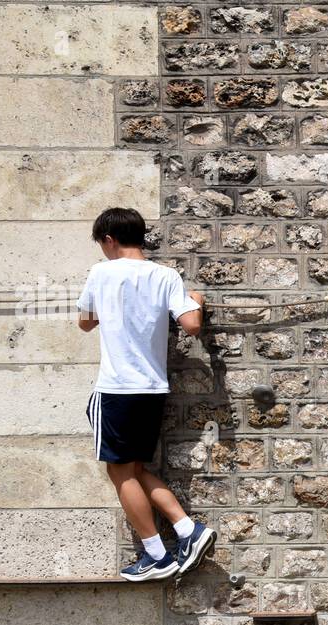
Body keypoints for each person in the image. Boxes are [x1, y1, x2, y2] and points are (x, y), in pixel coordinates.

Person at [77, 207, 216, 582]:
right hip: (153, 388)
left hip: (117, 388)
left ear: (108, 239)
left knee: (119, 473)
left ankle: (157, 554)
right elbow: (191, 325)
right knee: (136, 469)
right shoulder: (166, 275)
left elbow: (85, 322)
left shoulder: (101, 273)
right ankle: (188, 529)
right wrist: (197, 300)